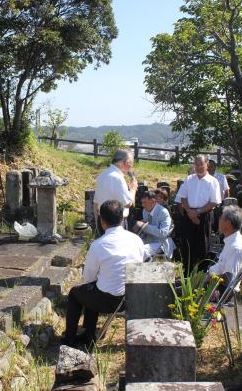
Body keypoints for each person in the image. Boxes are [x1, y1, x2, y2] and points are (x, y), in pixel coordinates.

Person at [62, 200, 144, 349]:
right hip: (132, 297)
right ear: (122, 218)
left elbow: (88, 277)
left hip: (109, 301)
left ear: (102, 221)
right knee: (93, 288)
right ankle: (88, 334)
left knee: (76, 293)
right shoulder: (136, 240)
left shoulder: (99, 244)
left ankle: (70, 338)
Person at [175, 155, 221, 272]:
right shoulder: (189, 179)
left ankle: (201, 274)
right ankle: (187, 272)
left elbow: (214, 202)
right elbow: (182, 198)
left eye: (201, 164)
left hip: (204, 215)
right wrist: (190, 212)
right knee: (187, 244)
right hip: (189, 213)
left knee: (203, 245)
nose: (198, 167)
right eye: (196, 164)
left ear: (207, 165)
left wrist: (197, 212)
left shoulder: (213, 181)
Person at [93, 150, 138, 235]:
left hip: (102, 220)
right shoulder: (117, 178)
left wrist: (97, 222)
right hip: (115, 223)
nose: (131, 166)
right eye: (131, 163)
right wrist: (133, 189)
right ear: (126, 163)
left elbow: (95, 202)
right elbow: (128, 203)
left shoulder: (103, 174)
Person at [207, 205, 242, 291]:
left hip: (218, 290)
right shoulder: (231, 240)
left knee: (176, 291)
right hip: (213, 283)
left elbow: (228, 280)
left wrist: (206, 279)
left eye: (221, 218)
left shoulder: (236, 247)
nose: (218, 220)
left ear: (228, 223)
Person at [134, 190, 175, 261]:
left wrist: (144, 226)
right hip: (148, 240)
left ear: (153, 202)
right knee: (133, 247)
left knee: (142, 251)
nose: (143, 205)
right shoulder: (145, 210)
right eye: (142, 203)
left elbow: (163, 233)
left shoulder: (163, 212)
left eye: (145, 203)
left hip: (161, 243)